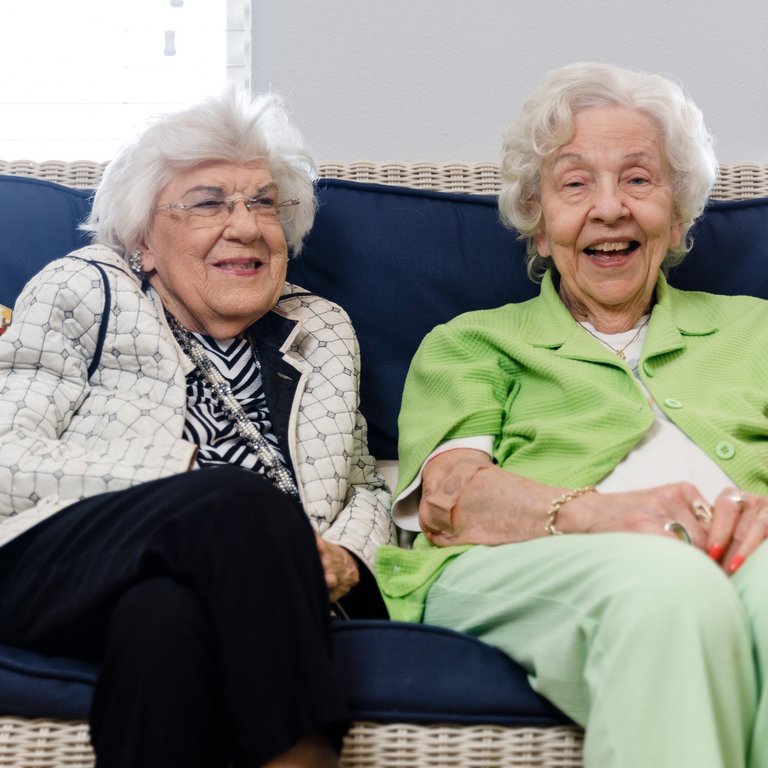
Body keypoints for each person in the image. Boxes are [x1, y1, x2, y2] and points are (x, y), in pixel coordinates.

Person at [376, 62, 768, 767]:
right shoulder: (474, 341)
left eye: (639, 180)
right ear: (537, 223)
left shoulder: (755, 330)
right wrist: (601, 515)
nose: (610, 209)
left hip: (737, 554)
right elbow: (450, 501)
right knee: (669, 587)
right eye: (576, 183)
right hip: (523, 564)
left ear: (677, 216)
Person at [0, 87, 395, 768]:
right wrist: (190, 488)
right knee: (237, 501)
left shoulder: (321, 328)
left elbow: (363, 486)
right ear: (143, 241)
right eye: (210, 202)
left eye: (263, 202)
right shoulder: (82, 290)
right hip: (49, 566)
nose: (245, 225)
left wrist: (345, 557)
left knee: (161, 624)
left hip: (227, 593)